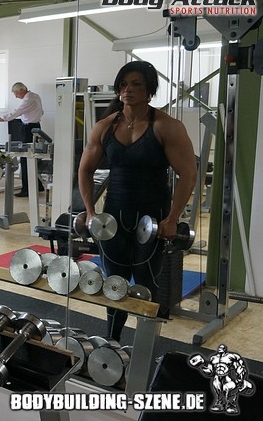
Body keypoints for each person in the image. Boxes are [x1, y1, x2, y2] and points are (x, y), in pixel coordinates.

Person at [78, 61, 196, 342]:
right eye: (123, 84)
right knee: (114, 283)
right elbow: (84, 170)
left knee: (146, 283)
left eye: (136, 84)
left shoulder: (166, 126)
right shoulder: (105, 126)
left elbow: (188, 173)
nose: (127, 90)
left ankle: (145, 346)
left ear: (149, 90)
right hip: (114, 215)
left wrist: (172, 218)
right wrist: (91, 212)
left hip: (153, 216)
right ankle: (111, 346)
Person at [0, 82, 45, 197]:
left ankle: (27, 189)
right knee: (31, 157)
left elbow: (14, 114)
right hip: (35, 127)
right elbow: (41, 112)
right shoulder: (35, 96)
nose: (15, 96)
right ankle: (38, 185)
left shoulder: (28, 99)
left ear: (22, 90)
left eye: (16, 93)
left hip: (29, 129)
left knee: (26, 158)